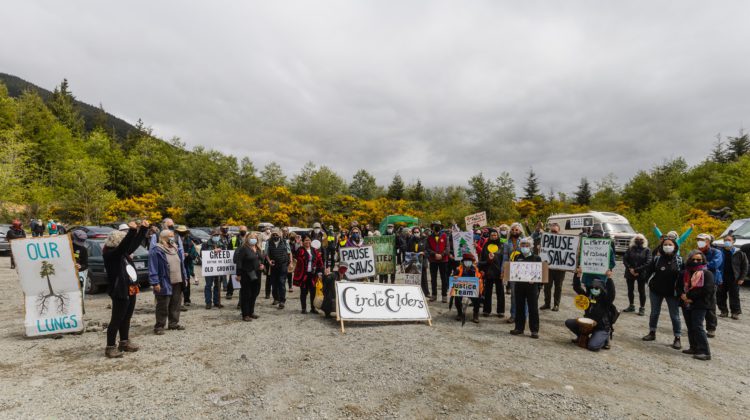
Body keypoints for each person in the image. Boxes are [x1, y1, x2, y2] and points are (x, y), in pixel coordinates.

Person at [102, 220, 149, 358]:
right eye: (123, 241)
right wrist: (132, 231)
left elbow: (132, 245)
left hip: (130, 288)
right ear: (118, 242)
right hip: (119, 290)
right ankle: (110, 347)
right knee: (116, 319)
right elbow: (125, 246)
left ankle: (124, 342)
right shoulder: (111, 254)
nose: (127, 244)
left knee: (127, 317)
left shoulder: (123, 253)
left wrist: (143, 229)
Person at [642, 238, 683, 349]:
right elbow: (648, 272)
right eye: (665, 244)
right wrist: (648, 283)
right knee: (654, 313)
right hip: (656, 291)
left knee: (675, 316)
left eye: (670, 244)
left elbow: (683, 277)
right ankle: (652, 332)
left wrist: (681, 291)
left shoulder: (680, 261)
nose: (667, 246)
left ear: (675, 247)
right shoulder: (657, 259)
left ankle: (677, 338)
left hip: (672, 293)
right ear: (661, 246)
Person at [149, 229, 188, 335]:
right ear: (164, 237)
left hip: (177, 280)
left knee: (176, 303)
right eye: (170, 236)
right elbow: (153, 267)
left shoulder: (175, 248)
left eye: (173, 236)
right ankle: (159, 326)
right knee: (163, 305)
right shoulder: (156, 250)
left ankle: (173, 323)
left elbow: (181, 264)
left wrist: (185, 277)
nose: (173, 237)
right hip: (164, 281)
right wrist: (155, 282)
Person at [678, 250, 715, 361]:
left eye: (698, 259)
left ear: (703, 260)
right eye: (693, 259)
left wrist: (690, 297)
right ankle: (693, 347)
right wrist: (682, 295)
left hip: (700, 303)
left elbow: (707, 290)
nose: (695, 261)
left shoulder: (707, 273)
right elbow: (678, 286)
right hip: (685, 303)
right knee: (690, 326)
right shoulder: (684, 273)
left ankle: (705, 351)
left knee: (698, 327)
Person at [565, 279, 616, 351]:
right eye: (592, 288)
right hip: (588, 325)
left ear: (601, 289)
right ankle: (582, 337)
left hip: (601, 327)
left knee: (593, 347)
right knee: (569, 322)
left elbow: (612, 293)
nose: (594, 289)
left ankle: (604, 339)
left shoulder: (606, 300)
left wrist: (610, 279)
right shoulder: (587, 297)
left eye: (596, 288)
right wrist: (577, 275)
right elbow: (577, 287)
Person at [509, 237, 542, 338]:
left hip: (532, 287)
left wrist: (536, 281)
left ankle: (534, 330)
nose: (524, 247)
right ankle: (519, 328)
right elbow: (513, 271)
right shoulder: (517, 257)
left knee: (533, 308)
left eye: (527, 245)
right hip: (519, 286)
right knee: (519, 307)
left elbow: (540, 273)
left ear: (531, 246)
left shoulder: (537, 258)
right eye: (522, 245)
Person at [695, 233, 722, 338]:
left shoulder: (716, 252)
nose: (699, 242)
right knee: (696, 303)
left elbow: (715, 264)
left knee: (710, 305)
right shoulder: (697, 251)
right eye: (698, 239)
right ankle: (697, 325)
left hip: (711, 282)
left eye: (702, 240)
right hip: (697, 281)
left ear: (708, 241)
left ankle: (711, 328)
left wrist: (700, 266)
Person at [717, 235, 748, 320]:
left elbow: (745, 266)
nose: (727, 241)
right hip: (721, 277)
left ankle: (735, 312)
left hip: (734, 278)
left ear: (733, 241)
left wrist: (742, 278)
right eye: (725, 240)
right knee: (720, 295)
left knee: (734, 296)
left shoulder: (739, 253)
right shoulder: (719, 252)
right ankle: (723, 311)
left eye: (729, 240)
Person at [293, 236, 326, 314]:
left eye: (309, 240)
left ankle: (313, 308)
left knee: (313, 292)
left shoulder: (314, 250)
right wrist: (297, 244)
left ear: (311, 241)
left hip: (312, 275)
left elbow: (320, 262)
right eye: (305, 240)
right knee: (304, 292)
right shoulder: (300, 250)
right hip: (303, 275)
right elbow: (295, 255)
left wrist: (320, 272)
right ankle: (303, 308)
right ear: (303, 241)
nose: (307, 242)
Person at [235, 233, 264, 321]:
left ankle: (251, 312)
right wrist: (238, 274)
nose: (253, 239)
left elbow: (260, 259)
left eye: (255, 238)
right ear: (247, 239)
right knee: (246, 294)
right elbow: (239, 261)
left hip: (257, 274)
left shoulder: (258, 248)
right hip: (246, 274)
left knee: (255, 293)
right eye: (251, 238)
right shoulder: (244, 248)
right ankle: (245, 314)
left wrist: (262, 265)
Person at [622, 234, 652, 315]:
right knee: (630, 290)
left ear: (644, 240)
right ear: (634, 240)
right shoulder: (630, 249)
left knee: (641, 291)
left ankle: (642, 308)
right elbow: (625, 259)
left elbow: (648, 262)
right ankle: (631, 306)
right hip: (629, 272)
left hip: (641, 273)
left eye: (641, 239)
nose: (639, 240)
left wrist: (636, 270)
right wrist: (630, 268)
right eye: (637, 239)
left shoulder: (647, 250)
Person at [479, 229, 504, 318]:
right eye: (492, 235)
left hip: (499, 273)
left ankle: (500, 311)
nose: (494, 236)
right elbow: (481, 258)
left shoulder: (502, 246)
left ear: (498, 236)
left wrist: (503, 271)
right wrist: (481, 269)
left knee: (500, 292)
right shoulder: (486, 245)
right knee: (487, 292)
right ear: (489, 236)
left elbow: (504, 260)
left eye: (495, 235)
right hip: (488, 272)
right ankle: (486, 310)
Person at [540, 223, 566, 312]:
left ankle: (556, 305)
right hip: (548, 268)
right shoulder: (545, 240)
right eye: (552, 231)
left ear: (559, 231)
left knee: (558, 287)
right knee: (547, 287)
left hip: (560, 269)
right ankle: (547, 303)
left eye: (555, 231)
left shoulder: (564, 241)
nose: (553, 232)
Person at [452, 253, 484, 323]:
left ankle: (475, 315)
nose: (467, 262)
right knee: (457, 296)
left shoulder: (475, 270)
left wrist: (480, 276)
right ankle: (459, 313)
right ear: (463, 262)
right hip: (461, 289)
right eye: (466, 260)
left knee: (478, 297)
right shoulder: (459, 269)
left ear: (472, 262)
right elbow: (453, 279)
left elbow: (479, 278)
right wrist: (454, 276)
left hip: (472, 289)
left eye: (469, 261)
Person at [503, 223, 524, 323]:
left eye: (517, 230)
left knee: (524, 295)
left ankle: (523, 316)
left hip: (524, 271)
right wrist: (503, 271)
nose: (515, 231)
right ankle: (513, 315)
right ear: (510, 231)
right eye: (513, 230)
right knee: (514, 295)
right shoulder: (507, 243)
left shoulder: (525, 241)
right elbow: (505, 258)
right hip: (512, 271)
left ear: (520, 231)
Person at [265, 227, 291, 309]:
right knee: (274, 283)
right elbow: (266, 254)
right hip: (273, 265)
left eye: (276, 234)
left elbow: (289, 252)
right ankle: (276, 298)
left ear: (279, 235)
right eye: (273, 235)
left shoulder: (284, 242)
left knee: (281, 282)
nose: (275, 236)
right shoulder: (268, 242)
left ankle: (282, 301)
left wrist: (290, 262)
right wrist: (269, 261)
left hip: (283, 264)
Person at [426, 221, 449, 303]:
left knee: (444, 278)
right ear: (432, 227)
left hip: (443, 260)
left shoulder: (445, 236)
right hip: (433, 260)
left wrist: (442, 255)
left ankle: (444, 295)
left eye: (438, 226)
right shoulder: (429, 237)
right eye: (435, 226)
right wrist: (434, 254)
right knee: (433, 278)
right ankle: (434, 295)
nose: (437, 227)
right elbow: (427, 248)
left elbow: (447, 248)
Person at [203, 229, 227, 310]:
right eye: (215, 235)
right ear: (211, 236)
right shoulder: (206, 244)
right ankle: (208, 303)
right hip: (209, 268)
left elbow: (226, 255)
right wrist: (213, 251)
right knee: (208, 285)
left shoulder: (222, 244)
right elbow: (202, 254)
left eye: (218, 235)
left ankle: (216, 302)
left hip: (218, 268)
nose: (216, 237)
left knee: (217, 285)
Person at [175, 225, 198, 307]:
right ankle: (177, 301)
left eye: (183, 232)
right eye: (180, 232)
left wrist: (188, 255)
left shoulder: (189, 242)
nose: (181, 234)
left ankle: (187, 299)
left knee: (186, 282)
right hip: (176, 265)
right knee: (177, 283)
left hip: (186, 265)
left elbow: (194, 253)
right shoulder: (173, 241)